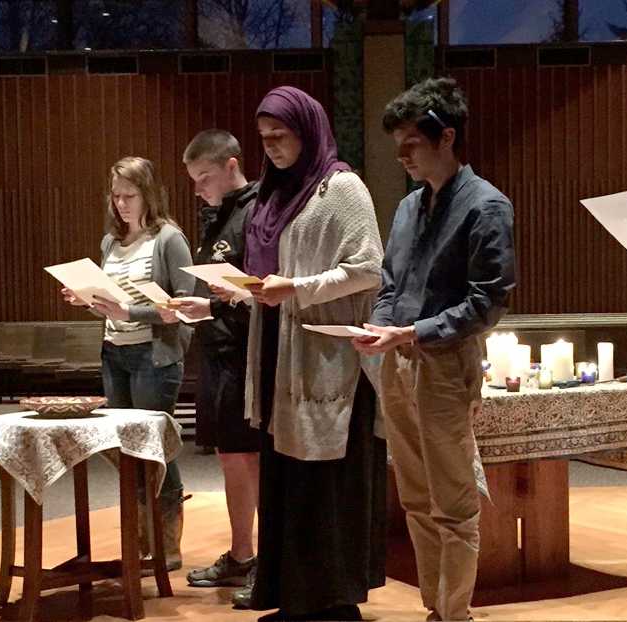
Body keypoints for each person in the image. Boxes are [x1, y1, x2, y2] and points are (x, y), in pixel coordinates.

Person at [353, 77, 516, 622]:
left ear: (446, 137)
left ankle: (455, 612)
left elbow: (488, 301)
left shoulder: (486, 206)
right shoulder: (406, 209)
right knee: (415, 496)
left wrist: (415, 333)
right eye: (397, 146)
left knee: (452, 501)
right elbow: (390, 284)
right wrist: (379, 329)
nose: (401, 156)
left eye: (411, 145)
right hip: (398, 361)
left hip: (445, 363)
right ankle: (434, 607)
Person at [233, 86, 386, 621]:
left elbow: (369, 268)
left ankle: (333, 602)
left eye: (281, 136)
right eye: (264, 139)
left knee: (325, 486)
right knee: (288, 481)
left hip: (327, 361)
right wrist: (239, 288)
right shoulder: (275, 193)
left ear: (308, 130)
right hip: (279, 351)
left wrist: (296, 287)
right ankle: (296, 600)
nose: (271, 147)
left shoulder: (342, 189)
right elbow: (265, 269)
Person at [62, 156, 194, 571]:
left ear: (148, 194)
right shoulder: (109, 243)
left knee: (156, 450)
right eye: (116, 196)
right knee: (127, 451)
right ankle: (140, 542)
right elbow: (110, 308)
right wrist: (87, 301)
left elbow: (183, 307)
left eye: (129, 195)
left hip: (152, 357)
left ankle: (168, 546)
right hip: (114, 353)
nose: (121, 204)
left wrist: (129, 313)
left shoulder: (169, 239)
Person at [170, 129, 261, 588]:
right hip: (217, 350)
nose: (197, 187)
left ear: (231, 165)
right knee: (230, 456)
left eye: (204, 176)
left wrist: (213, 305)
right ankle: (242, 554)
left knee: (251, 458)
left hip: (247, 352)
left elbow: (265, 284)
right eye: (192, 178)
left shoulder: (259, 211)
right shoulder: (218, 214)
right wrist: (199, 305)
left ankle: (268, 559)